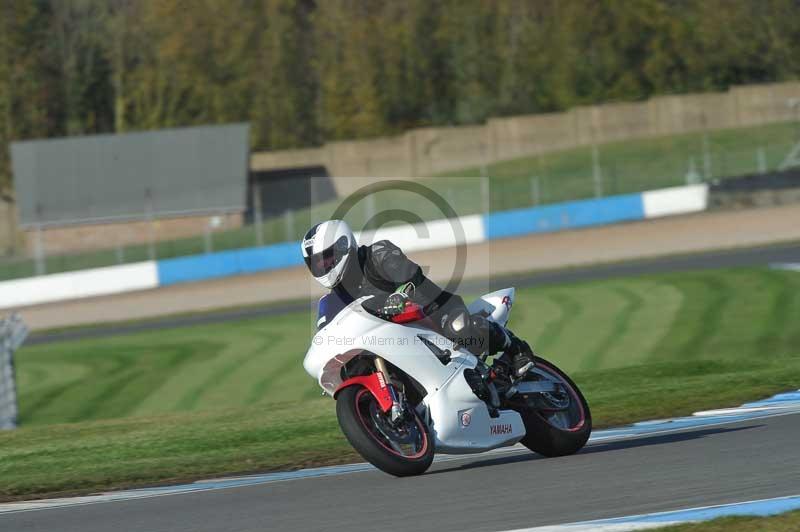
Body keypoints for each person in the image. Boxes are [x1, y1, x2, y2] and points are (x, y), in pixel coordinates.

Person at [301, 219, 534, 376]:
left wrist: (400, 294)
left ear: (344, 246)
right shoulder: (330, 301)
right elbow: (327, 334)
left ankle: (516, 349)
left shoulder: (377, 255)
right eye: (318, 263)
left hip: (431, 310)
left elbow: (411, 276)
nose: (325, 266)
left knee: (459, 328)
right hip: (392, 339)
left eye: (328, 258)